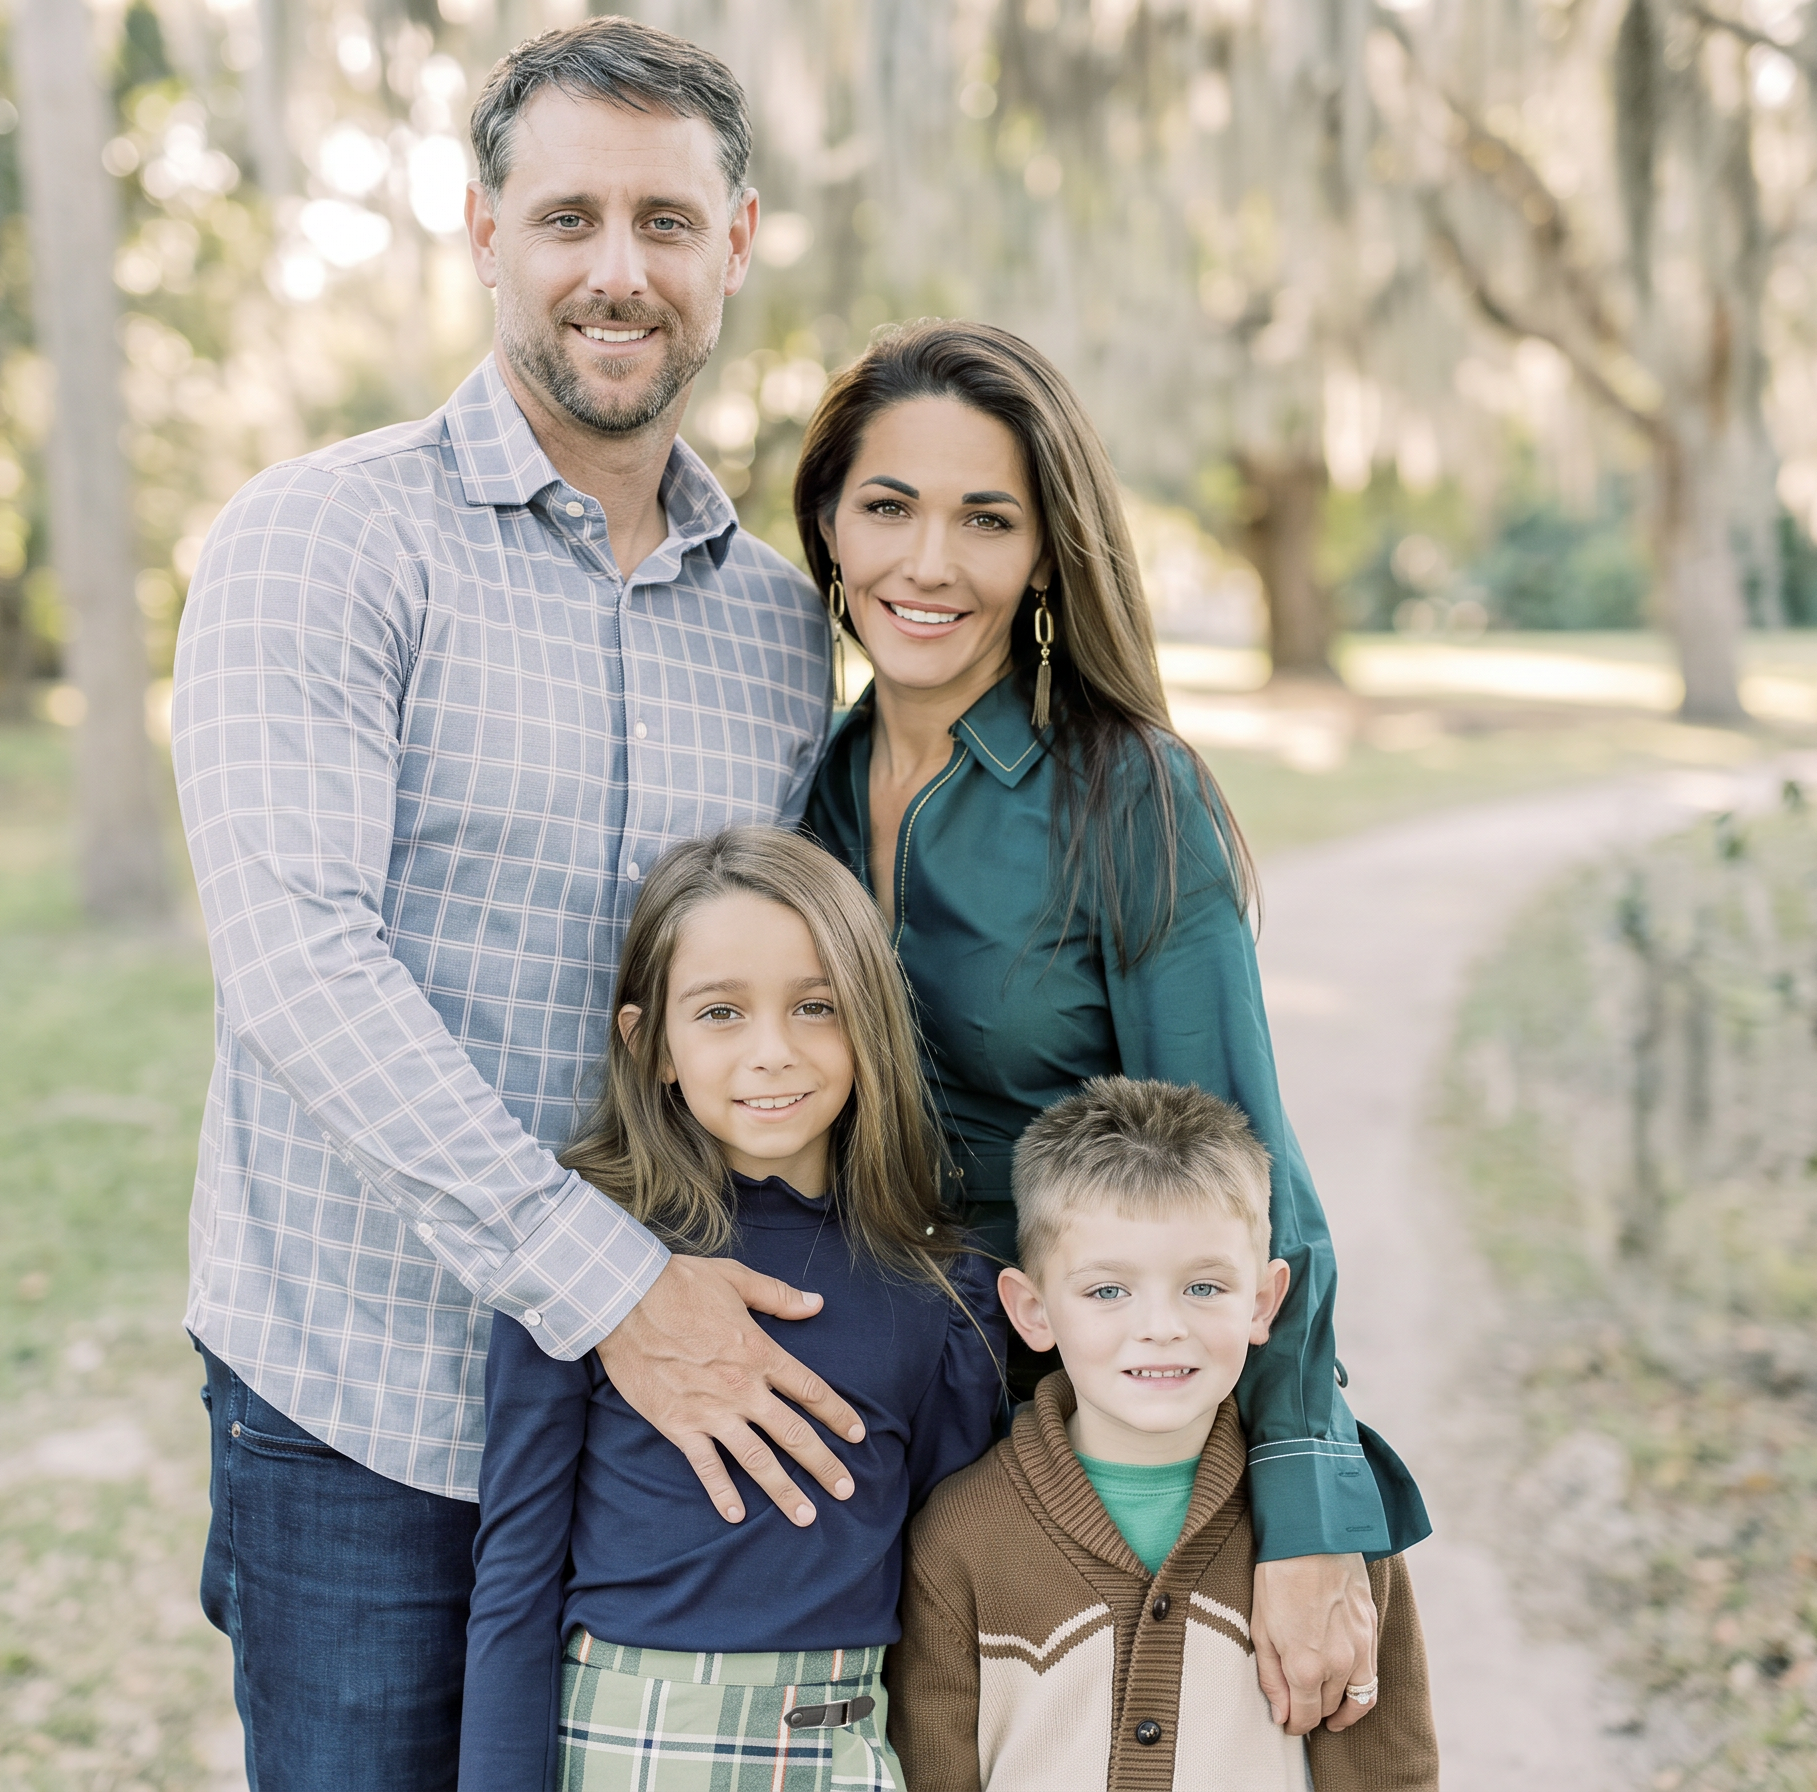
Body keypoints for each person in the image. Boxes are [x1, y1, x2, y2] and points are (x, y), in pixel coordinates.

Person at [170, 22, 868, 1785]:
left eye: (664, 220)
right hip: (371, 1407)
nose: (616, 271)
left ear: (735, 244)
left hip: (664, 1421)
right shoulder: (321, 541)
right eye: (568, 218)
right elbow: (298, 963)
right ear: (485, 234)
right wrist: (610, 1287)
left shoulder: (779, 628)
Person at [797, 319, 1430, 1736]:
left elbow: (1245, 1159)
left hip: (1082, 1437)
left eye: (987, 519)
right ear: (828, 524)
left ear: (1044, 556)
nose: (929, 562)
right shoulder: (805, 786)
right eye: (889, 506)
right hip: (857, 1425)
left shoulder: (1127, 794)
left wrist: (1307, 1501)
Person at [461, 826, 1007, 1790]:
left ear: (870, 1020)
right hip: (627, 1748)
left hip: (844, 1749)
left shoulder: (939, 1287)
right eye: (720, 1013)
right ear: (651, 1045)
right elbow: (515, 1579)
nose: (773, 1054)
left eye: (816, 1007)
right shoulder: (589, 1262)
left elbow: (940, 1582)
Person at [887, 1078, 1438, 1790]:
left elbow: (1389, 1773)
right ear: (1032, 1311)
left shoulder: (1330, 1538)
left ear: (1263, 1303)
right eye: (1107, 1290)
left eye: (1203, 1287)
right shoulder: (962, 1536)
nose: (1161, 1326)